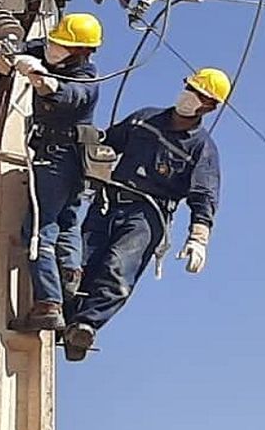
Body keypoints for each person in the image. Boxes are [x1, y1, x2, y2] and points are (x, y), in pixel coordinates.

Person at [63, 67, 229, 361]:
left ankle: (85, 326)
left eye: (199, 94)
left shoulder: (202, 147)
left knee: (117, 268)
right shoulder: (145, 118)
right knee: (79, 262)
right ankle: (65, 316)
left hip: (147, 214)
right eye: (190, 87)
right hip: (108, 202)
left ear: (210, 106)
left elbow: (203, 195)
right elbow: (108, 142)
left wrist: (199, 238)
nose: (189, 96)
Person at [0, 13, 103, 333]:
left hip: (58, 160)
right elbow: (29, 49)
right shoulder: (54, 53)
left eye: (61, 44)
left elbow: (61, 92)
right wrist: (5, 55)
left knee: (40, 230)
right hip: (75, 160)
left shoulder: (86, 79)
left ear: (80, 52)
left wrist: (38, 77)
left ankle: (49, 304)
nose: (52, 47)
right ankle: (69, 275)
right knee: (68, 222)